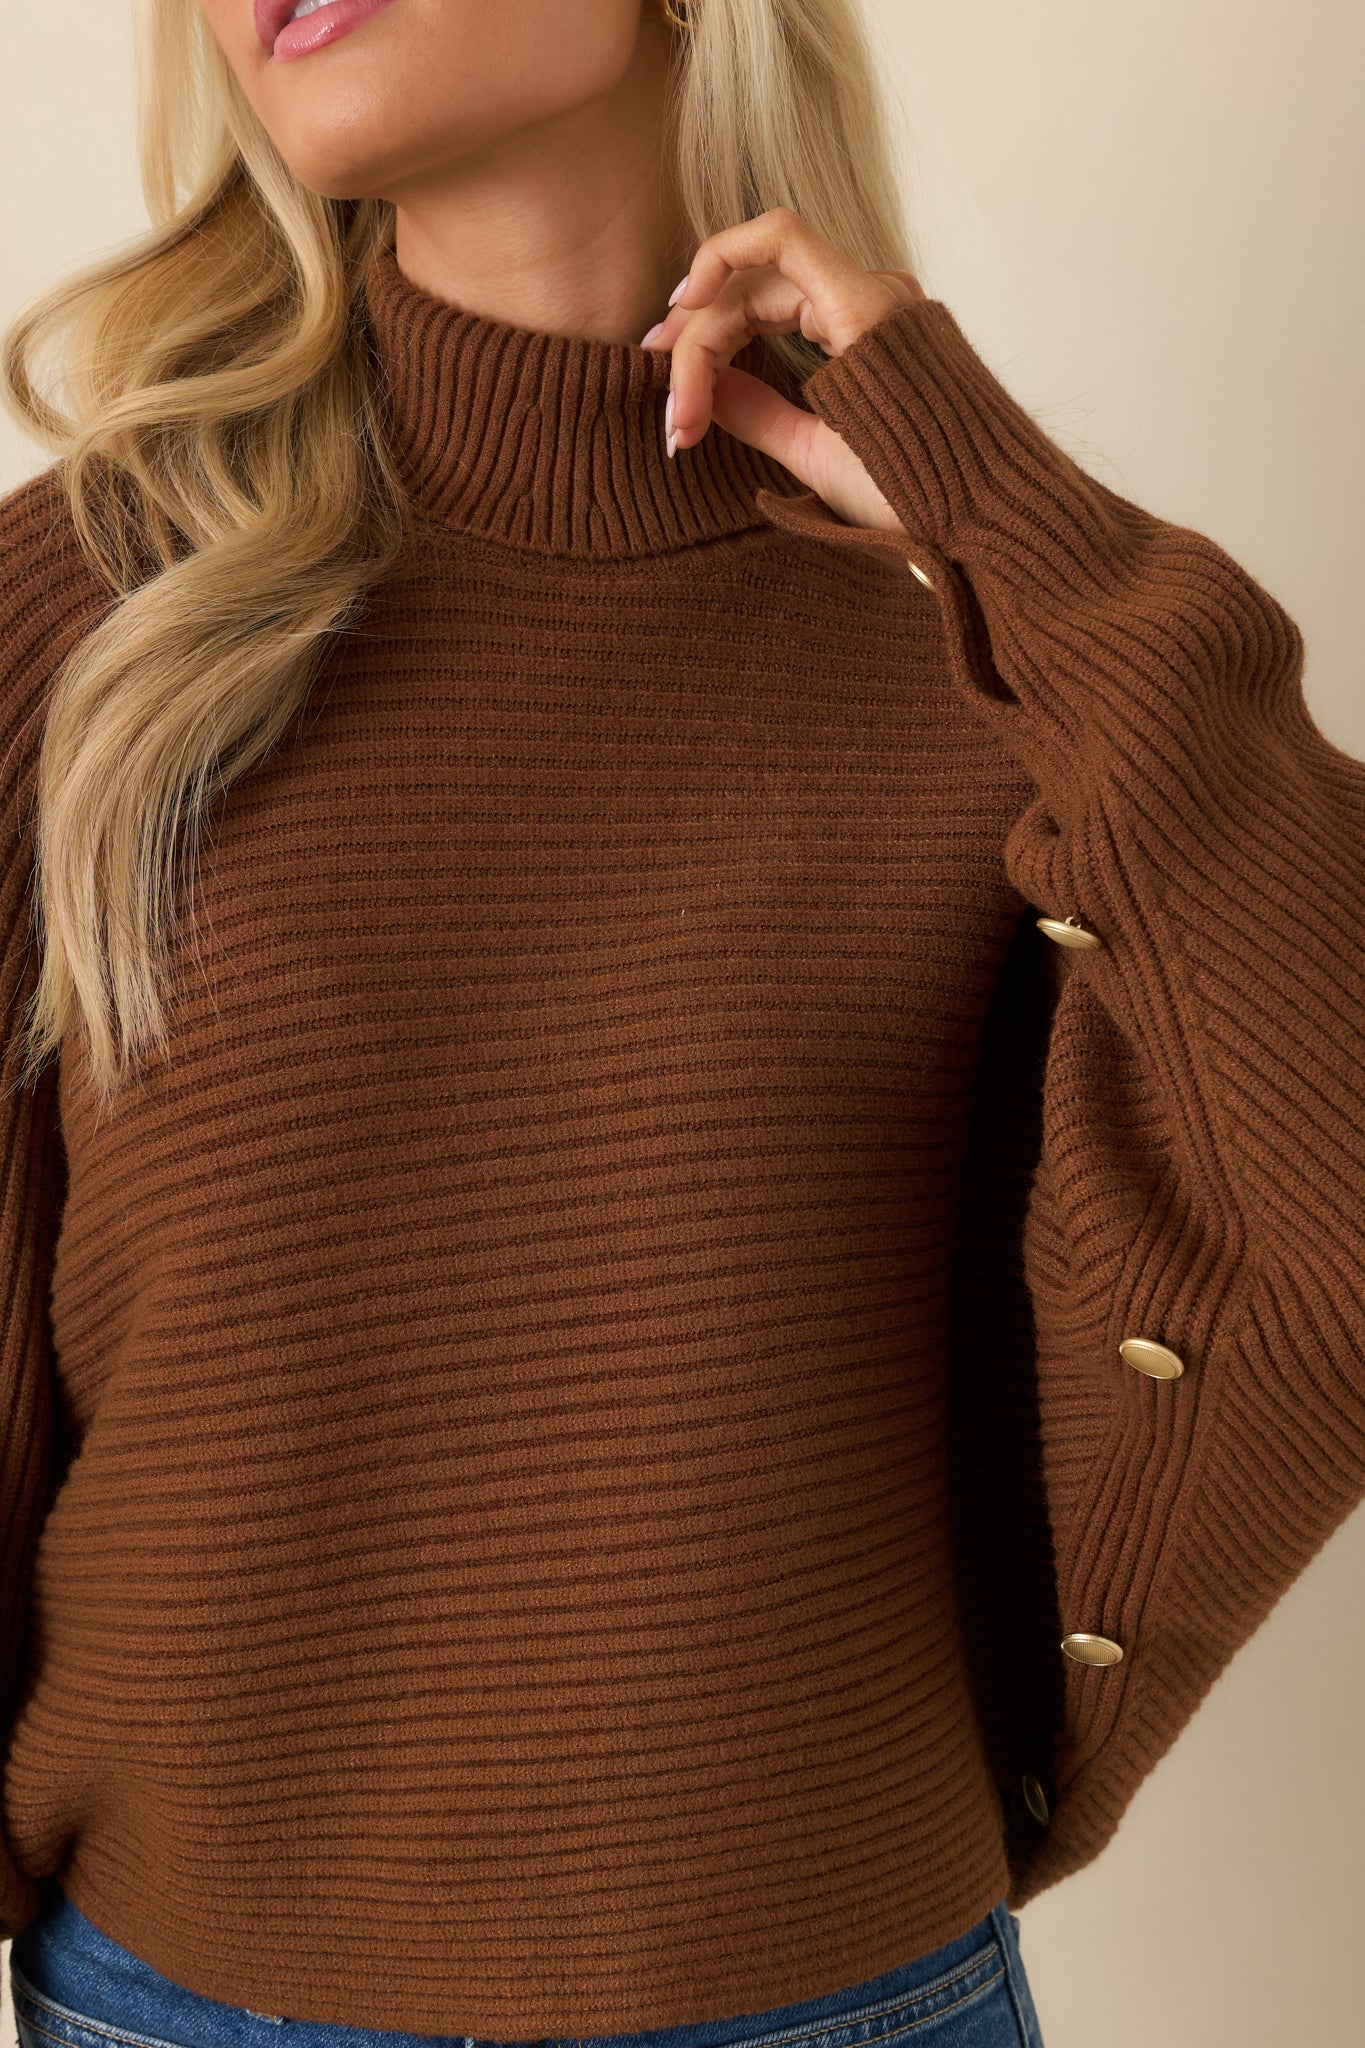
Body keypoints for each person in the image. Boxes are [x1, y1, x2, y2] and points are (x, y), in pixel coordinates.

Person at [1, 0, 1361, 2045]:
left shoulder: (977, 638)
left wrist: (1000, 522)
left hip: (851, 1996)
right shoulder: (95, 630)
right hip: (189, 2005)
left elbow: (1323, 1210)